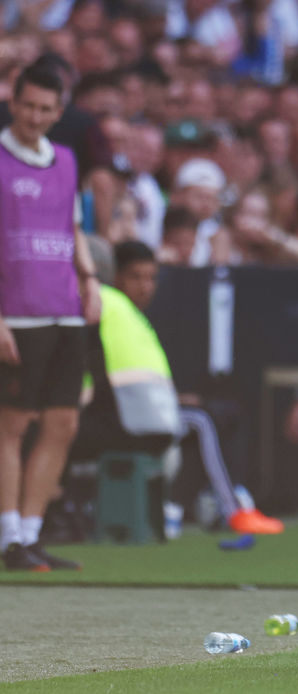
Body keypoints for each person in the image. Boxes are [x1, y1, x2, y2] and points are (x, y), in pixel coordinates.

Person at [73, 241, 284, 537]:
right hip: (121, 419)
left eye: (152, 278)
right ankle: (232, 511)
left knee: (217, 414)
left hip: (132, 413)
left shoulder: (129, 314)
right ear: (114, 275)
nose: (145, 287)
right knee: (202, 421)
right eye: (135, 277)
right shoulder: (103, 305)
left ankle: (188, 504)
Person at [0, 63, 102, 572]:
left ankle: (32, 534)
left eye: (45, 109)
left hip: (64, 308)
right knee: (12, 424)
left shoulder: (65, 160)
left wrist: (89, 279)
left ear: (59, 111)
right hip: (17, 312)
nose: (35, 117)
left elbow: (72, 227)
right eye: (28, 106)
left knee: (63, 422)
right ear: (13, 103)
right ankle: (8, 537)